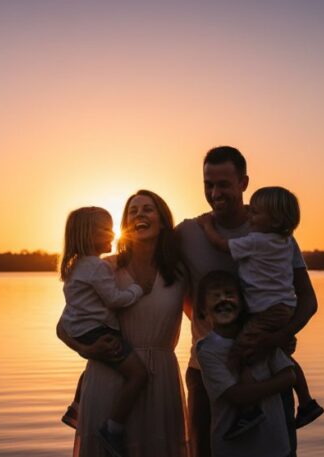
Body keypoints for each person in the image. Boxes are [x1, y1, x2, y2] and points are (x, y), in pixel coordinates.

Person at [177, 146, 319, 457]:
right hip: (205, 372)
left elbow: (307, 299)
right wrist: (210, 327)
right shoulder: (188, 232)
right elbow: (170, 286)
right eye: (208, 184)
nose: (215, 192)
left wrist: (280, 336)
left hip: (267, 368)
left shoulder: (275, 235)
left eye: (223, 184)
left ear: (243, 183)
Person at [58, 190, 190, 457]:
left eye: (147, 209)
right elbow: (64, 325)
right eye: (133, 211)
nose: (140, 214)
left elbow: (207, 315)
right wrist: (87, 350)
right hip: (109, 375)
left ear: (163, 220)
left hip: (162, 380)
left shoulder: (180, 272)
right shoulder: (106, 268)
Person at [197, 186, 324, 435]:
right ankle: (307, 402)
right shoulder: (285, 242)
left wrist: (206, 227)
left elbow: (223, 245)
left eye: (255, 212)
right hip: (283, 308)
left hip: (267, 312)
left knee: (240, 354)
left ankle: (249, 411)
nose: (250, 216)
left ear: (274, 219)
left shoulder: (257, 241)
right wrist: (284, 333)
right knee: (280, 355)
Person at [58, 206, 152, 456]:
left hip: (80, 330)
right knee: (139, 375)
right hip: (99, 333)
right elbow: (113, 299)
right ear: (89, 235)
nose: (113, 233)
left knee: (92, 365)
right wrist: (138, 290)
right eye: (106, 229)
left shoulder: (76, 267)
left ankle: (77, 407)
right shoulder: (96, 267)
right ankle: (113, 427)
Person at [195, 270, 296, 457]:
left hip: (274, 446)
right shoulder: (206, 350)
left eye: (229, 294)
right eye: (215, 296)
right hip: (233, 450)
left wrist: (252, 389)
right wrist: (264, 387)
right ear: (202, 309)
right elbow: (237, 396)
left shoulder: (262, 337)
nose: (223, 300)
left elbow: (290, 376)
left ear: (242, 304)